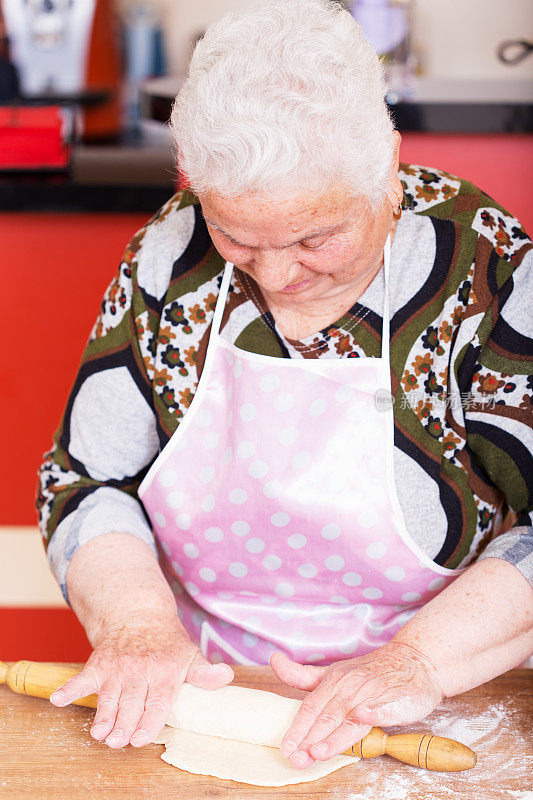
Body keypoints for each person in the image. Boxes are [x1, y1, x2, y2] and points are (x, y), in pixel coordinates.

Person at [37, 0, 532, 770]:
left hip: (444, 703)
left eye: (313, 237)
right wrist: (136, 628)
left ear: (388, 168)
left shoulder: (487, 269)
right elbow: (84, 480)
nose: (274, 274)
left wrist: (419, 665)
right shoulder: (169, 258)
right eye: (237, 235)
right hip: (204, 694)